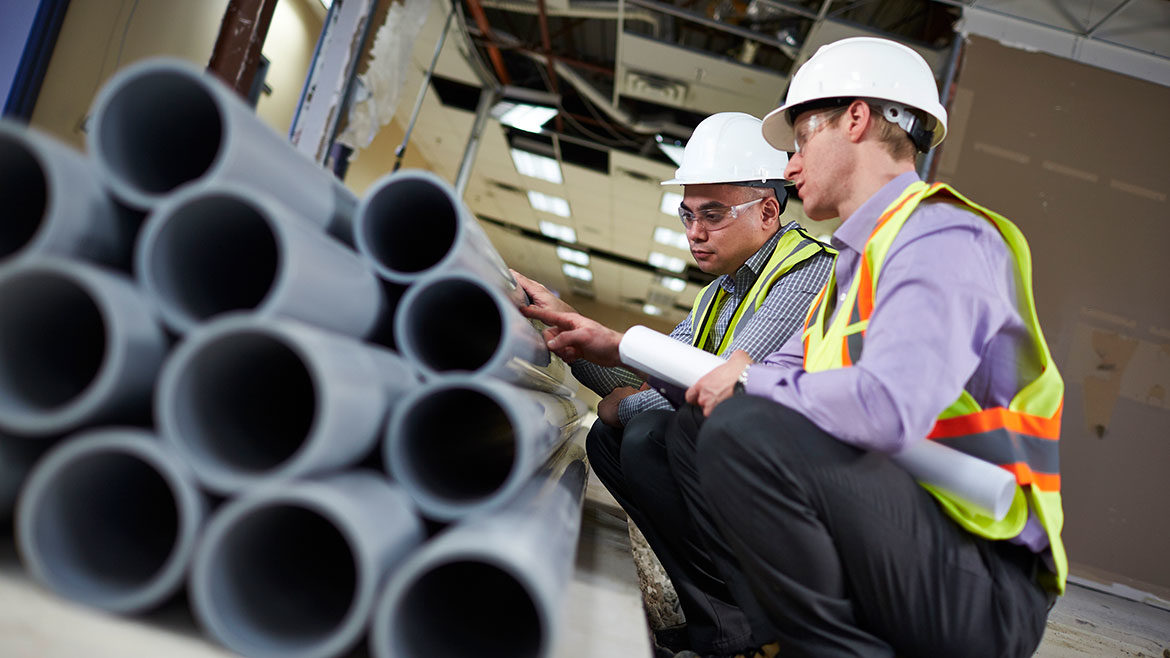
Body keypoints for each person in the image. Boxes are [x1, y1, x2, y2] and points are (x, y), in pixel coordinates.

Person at [655, 36, 1064, 658]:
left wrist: (746, 381)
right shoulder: (854, 268)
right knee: (700, 426)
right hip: (906, 538)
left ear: (855, 119)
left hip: (983, 582)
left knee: (745, 427)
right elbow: (769, 369)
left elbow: (886, 408)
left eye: (800, 144)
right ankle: (772, 642)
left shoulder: (943, 237)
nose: (790, 169)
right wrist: (736, 377)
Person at [515, 111, 834, 656]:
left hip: (799, 486)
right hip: (740, 463)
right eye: (687, 214)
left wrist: (627, 405)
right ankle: (718, 622)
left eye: (712, 214)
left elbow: (714, 391)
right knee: (608, 441)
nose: (694, 232)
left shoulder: (807, 271)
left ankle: (759, 623)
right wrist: (562, 327)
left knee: (650, 436)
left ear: (767, 210)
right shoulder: (720, 294)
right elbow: (648, 374)